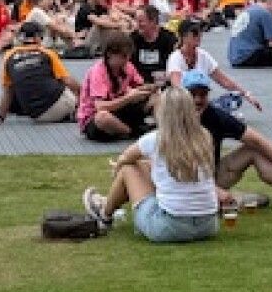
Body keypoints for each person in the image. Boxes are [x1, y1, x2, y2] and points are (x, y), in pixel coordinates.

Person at [179, 70, 272, 212]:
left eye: (203, 94)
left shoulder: (216, 116)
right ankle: (231, 199)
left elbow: (258, 140)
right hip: (182, 184)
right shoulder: (173, 119)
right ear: (182, 96)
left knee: (252, 149)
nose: (198, 100)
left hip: (211, 176)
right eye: (192, 94)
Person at [82, 87, 219, 242]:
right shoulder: (205, 136)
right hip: (208, 224)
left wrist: (118, 168)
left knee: (129, 168)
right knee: (146, 165)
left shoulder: (155, 139)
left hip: (169, 227)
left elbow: (125, 158)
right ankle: (109, 205)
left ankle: (105, 213)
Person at [165, 18, 261, 113]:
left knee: (235, 98)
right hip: (182, 104)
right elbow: (177, 87)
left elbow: (224, 81)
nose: (199, 36)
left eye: (200, 32)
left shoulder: (204, 55)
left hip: (200, 103)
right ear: (183, 37)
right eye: (194, 33)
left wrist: (246, 94)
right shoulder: (175, 58)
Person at [0, 22, 81, 124]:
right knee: (64, 81)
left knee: (20, 85)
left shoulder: (8, 56)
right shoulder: (47, 53)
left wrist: (0, 117)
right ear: (37, 37)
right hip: (58, 106)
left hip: (36, 116)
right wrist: (84, 94)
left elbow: (8, 91)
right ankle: (75, 112)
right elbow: (68, 81)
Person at [79, 35, 156, 141]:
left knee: (156, 98)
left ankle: (162, 129)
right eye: (123, 56)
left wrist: (152, 88)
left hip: (119, 110)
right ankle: (133, 132)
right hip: (95, 118)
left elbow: (140, 86)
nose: (127, 60)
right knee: (103, 118)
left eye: (129, 56)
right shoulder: (98, 72)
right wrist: (129, 98)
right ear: (110, 54)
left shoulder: (128, 66)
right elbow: (100, 107)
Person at [227, 0, 272, 68]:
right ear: (270, 0)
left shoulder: (248, 10)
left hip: (235, 56)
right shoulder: (265, 13)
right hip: (248, 56)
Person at [129, 4, 177, 84]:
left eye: (141, 21)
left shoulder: (169, 39)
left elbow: (173, 68)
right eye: (136, 21)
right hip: (139, 84)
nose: (137, 25)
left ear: (153, 21)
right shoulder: (132, 39)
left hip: (162, 82)